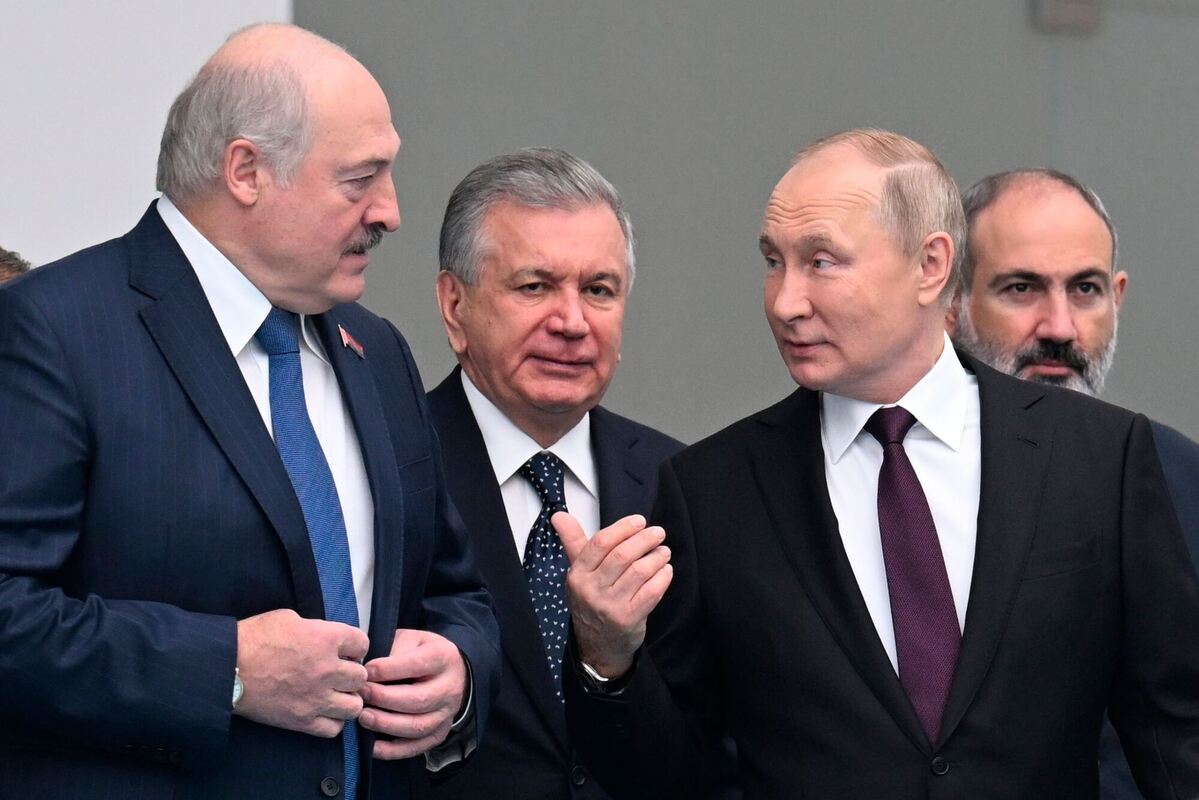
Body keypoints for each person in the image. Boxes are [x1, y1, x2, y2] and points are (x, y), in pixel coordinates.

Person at [556, 129, 1199, 798]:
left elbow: (1175, 735)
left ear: (930, 265)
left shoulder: (1101, 458)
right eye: (774, 262)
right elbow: (671, 776)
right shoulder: (712, 490)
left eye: (822, 262)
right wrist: (608, 657)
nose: (785, 302)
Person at [0, 23, 499, 799]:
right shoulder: (53, 331)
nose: (391, 212)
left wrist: (458, 672)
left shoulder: (377, 352)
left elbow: (451, 590)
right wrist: (224, 671)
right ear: (246, 171)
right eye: (359, 179)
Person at [422, 148, 685, 800]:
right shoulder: (390, 466)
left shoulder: (680, 485)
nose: (571, 322)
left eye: (598, 290)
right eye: (534, 286)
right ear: (454, 305)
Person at [948, 168, 1199, 800]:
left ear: (1118, 297)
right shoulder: (891, 478)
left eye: (1085, 289)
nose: (1059, 327)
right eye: (1021, 288)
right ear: (951, 304)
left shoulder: (1184, 480)